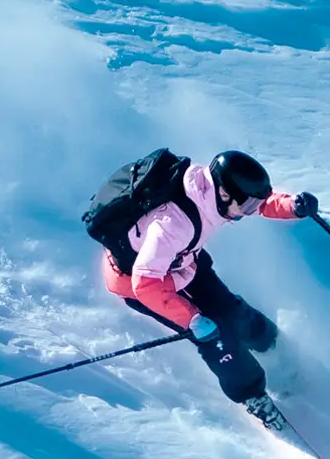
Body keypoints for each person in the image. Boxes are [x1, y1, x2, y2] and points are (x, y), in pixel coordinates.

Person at [100, 149, 317, 427]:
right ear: (225, 194)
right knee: (216, 338)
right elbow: (146, 284)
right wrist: (192, 320)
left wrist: (292, 207)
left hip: (182, 259)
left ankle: (272, 345)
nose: (251, 212)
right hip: (143, 281)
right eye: (247, 207)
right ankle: (252, 395)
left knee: (231, 309)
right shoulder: (172, 224)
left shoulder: (211, 188)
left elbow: (260, 201)